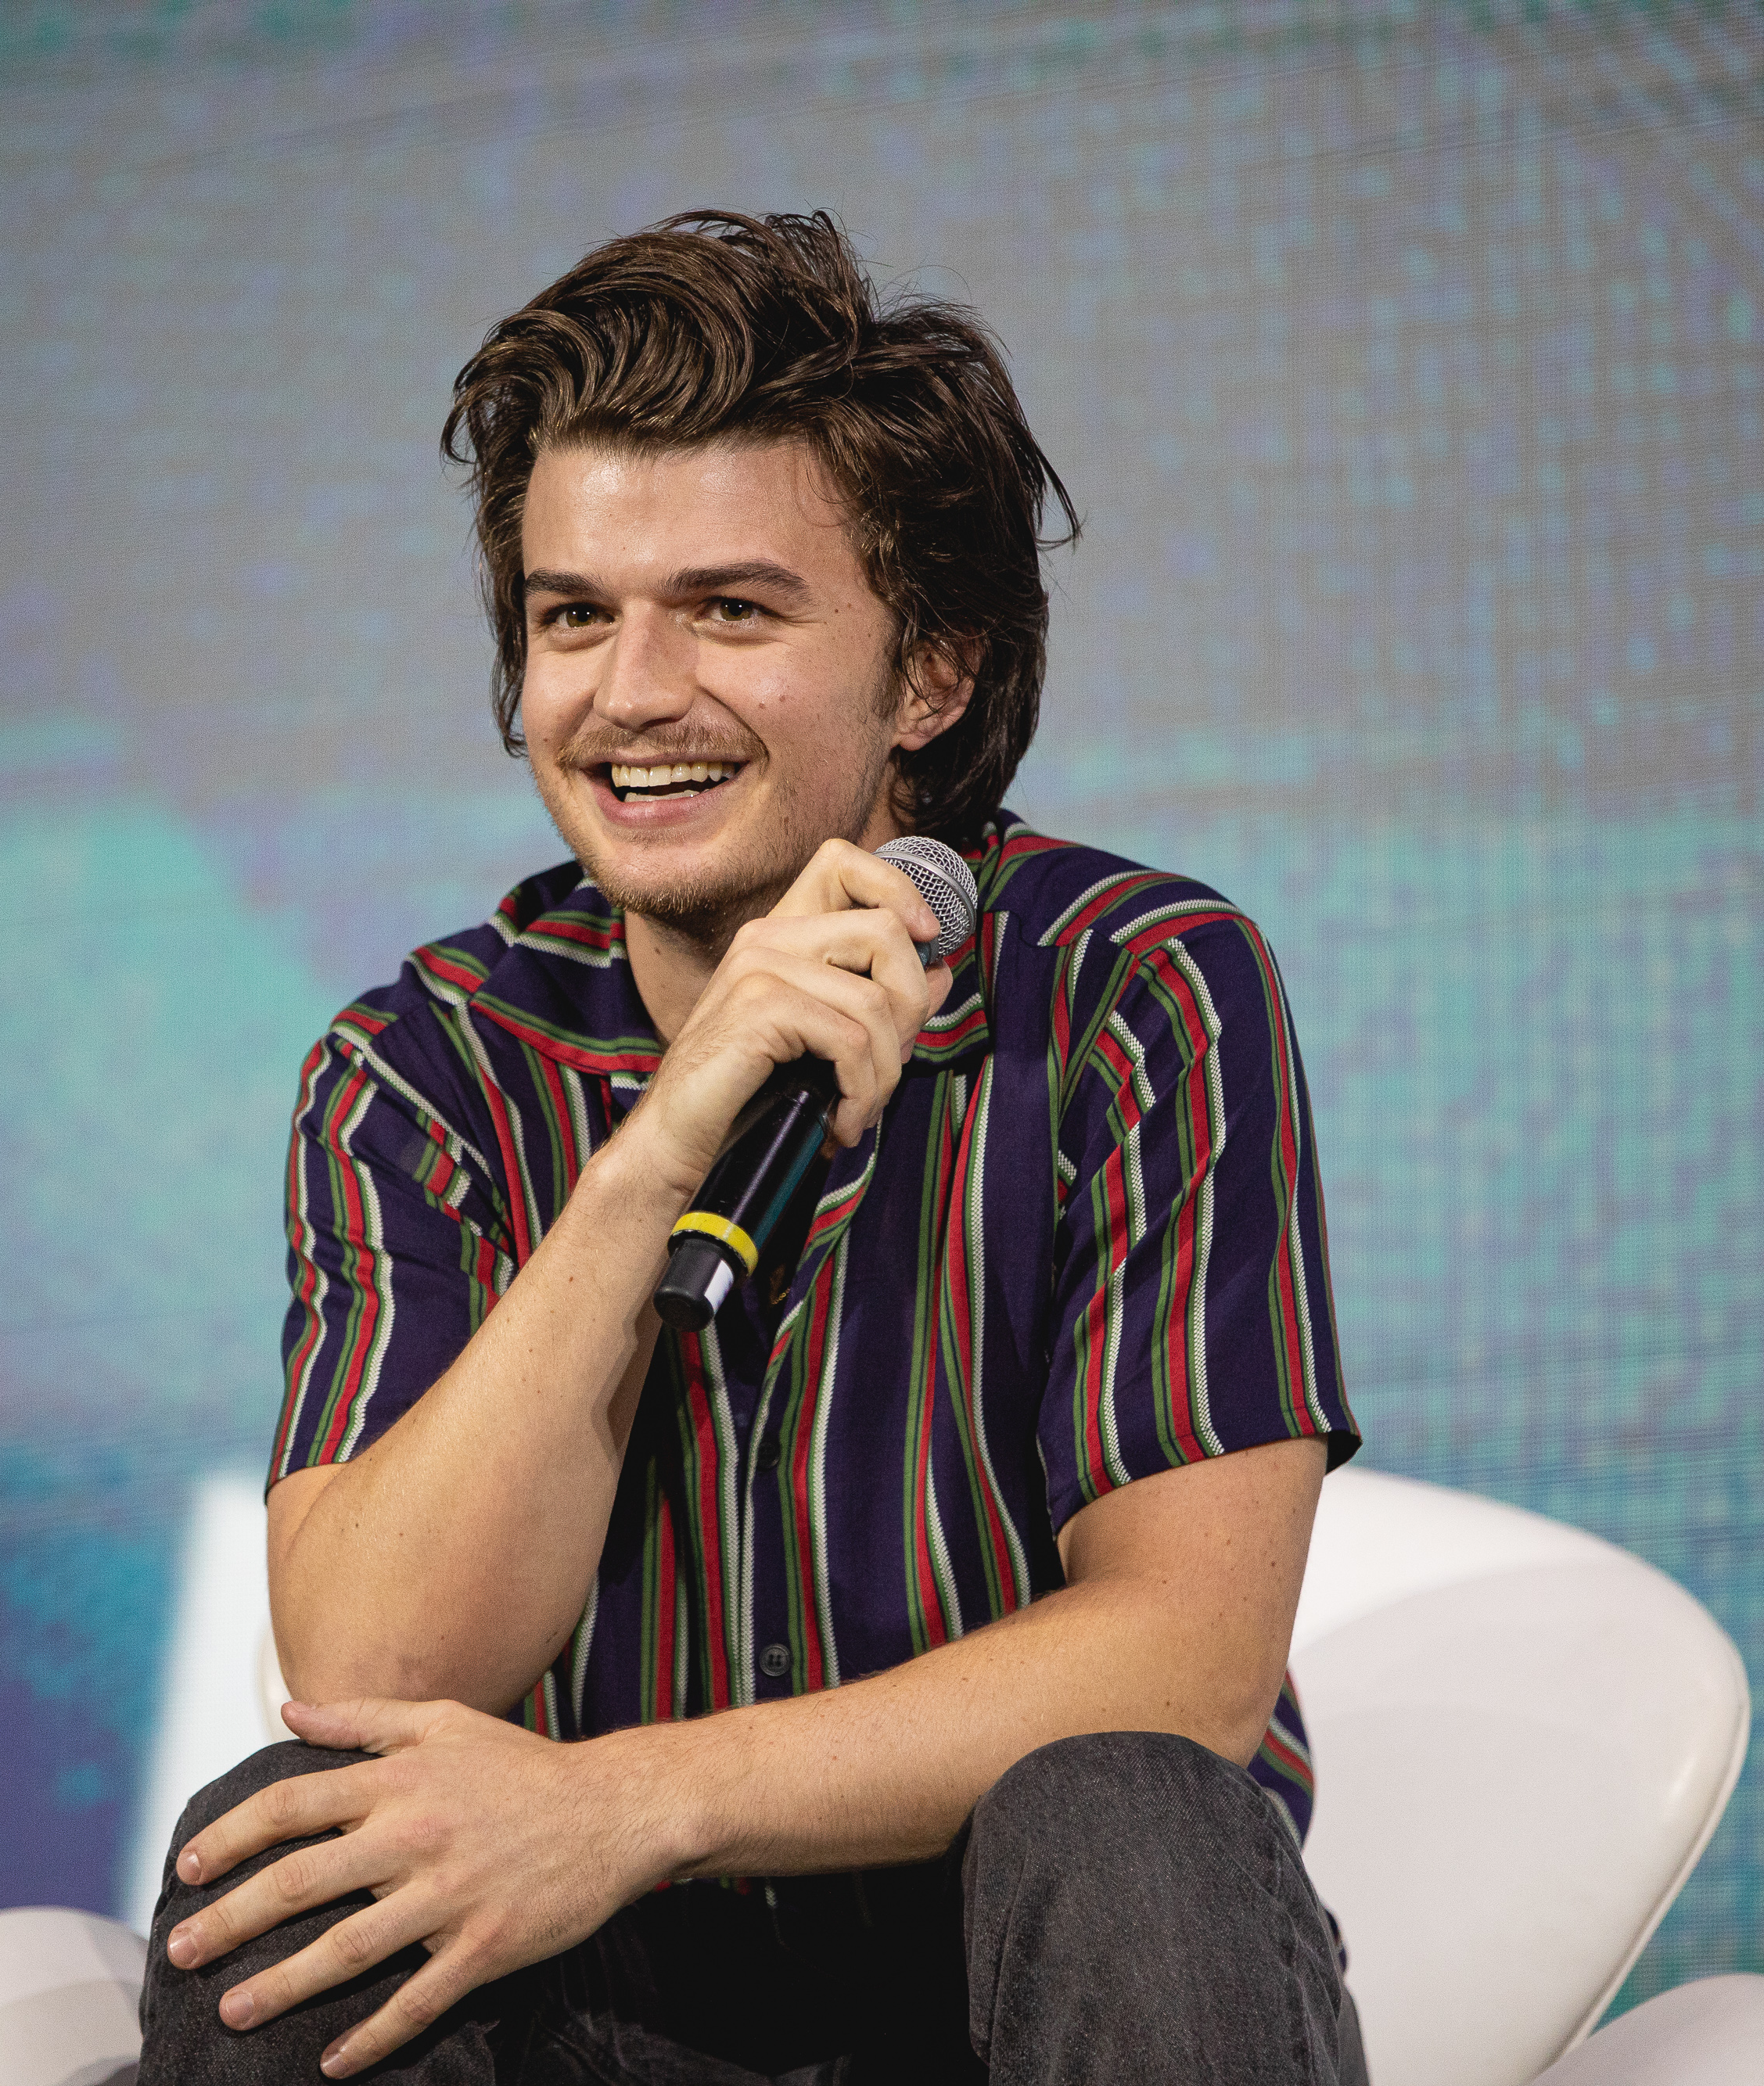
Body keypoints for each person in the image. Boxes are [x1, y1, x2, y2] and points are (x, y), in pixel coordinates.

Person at [137, 210, 1364, 2085]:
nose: (629, 691)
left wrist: (630, 1802)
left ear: (931, 673)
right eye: (572, 616)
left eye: (728, 608)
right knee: (304, 1856)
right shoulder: (419, 1068)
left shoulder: (1136, 997)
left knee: (1128, 1819)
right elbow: (375, 1671)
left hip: (998, 1979)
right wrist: (661, 1140)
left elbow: (1180, 1663)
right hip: (602, 2012)